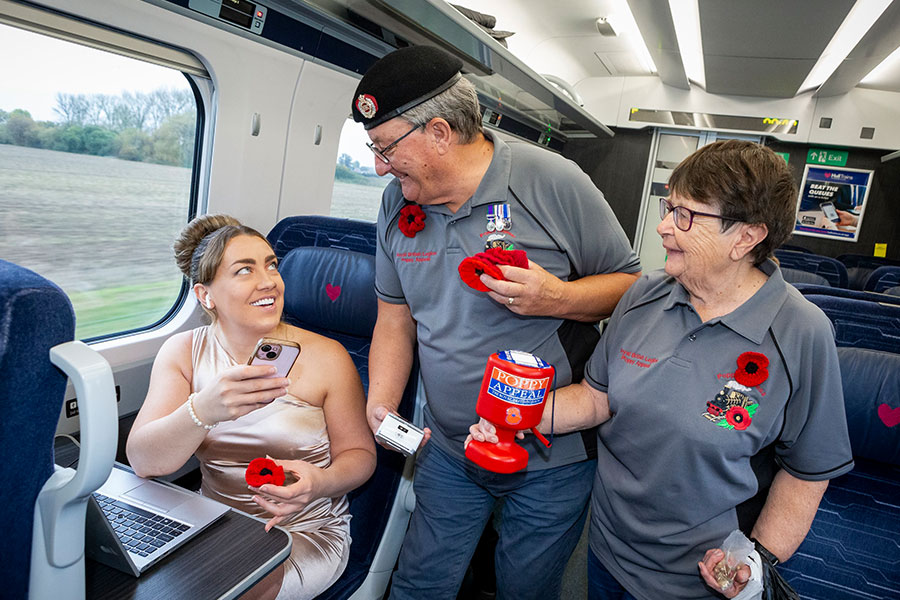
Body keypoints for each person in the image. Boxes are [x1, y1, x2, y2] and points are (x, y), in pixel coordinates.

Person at [469, 140, 855, 599]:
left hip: (697, 581)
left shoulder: (802, 332)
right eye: (668, 207)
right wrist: (512, 416)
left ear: (747, 237)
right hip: (606, 549)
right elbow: (596, 399)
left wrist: (757, 557)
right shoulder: (644, 295)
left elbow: (808, 470)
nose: (663, 227)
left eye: (685, 216)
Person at [353, 45, 642, 599]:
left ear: (439, 132)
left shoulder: (551, 180)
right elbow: (395, 315)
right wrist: (381, 401)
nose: (378, 167)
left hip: (549, 457)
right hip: (449, 448)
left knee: (523, 590)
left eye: (385, 148)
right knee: (418, 586)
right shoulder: (395, 203)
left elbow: (631, 288)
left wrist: (555, 297)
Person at [126, 214, 376, 600]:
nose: (268, 281)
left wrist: (319, 484)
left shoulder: (328, 357)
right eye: (244, 270)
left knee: (236, 591)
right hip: (212, 522)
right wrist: (202, 410)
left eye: (272, 265)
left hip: (302, 528)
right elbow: (144, 460)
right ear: (205, 295)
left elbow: (360, 455)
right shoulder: (183, 353)